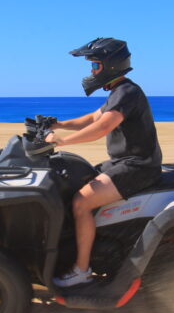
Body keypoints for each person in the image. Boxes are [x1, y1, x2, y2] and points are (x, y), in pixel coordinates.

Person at [46, 38, 163, 287]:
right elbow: (92, 118)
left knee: (80, 203)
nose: (92, 72)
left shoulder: (128, 93)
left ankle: (81, 270)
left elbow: (102, 127)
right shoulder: (118, 92)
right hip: (123, 162)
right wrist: (56, 124)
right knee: (74, 182)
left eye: (95, 65)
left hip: (138, 167)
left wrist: (62, 141)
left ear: (110, 65)